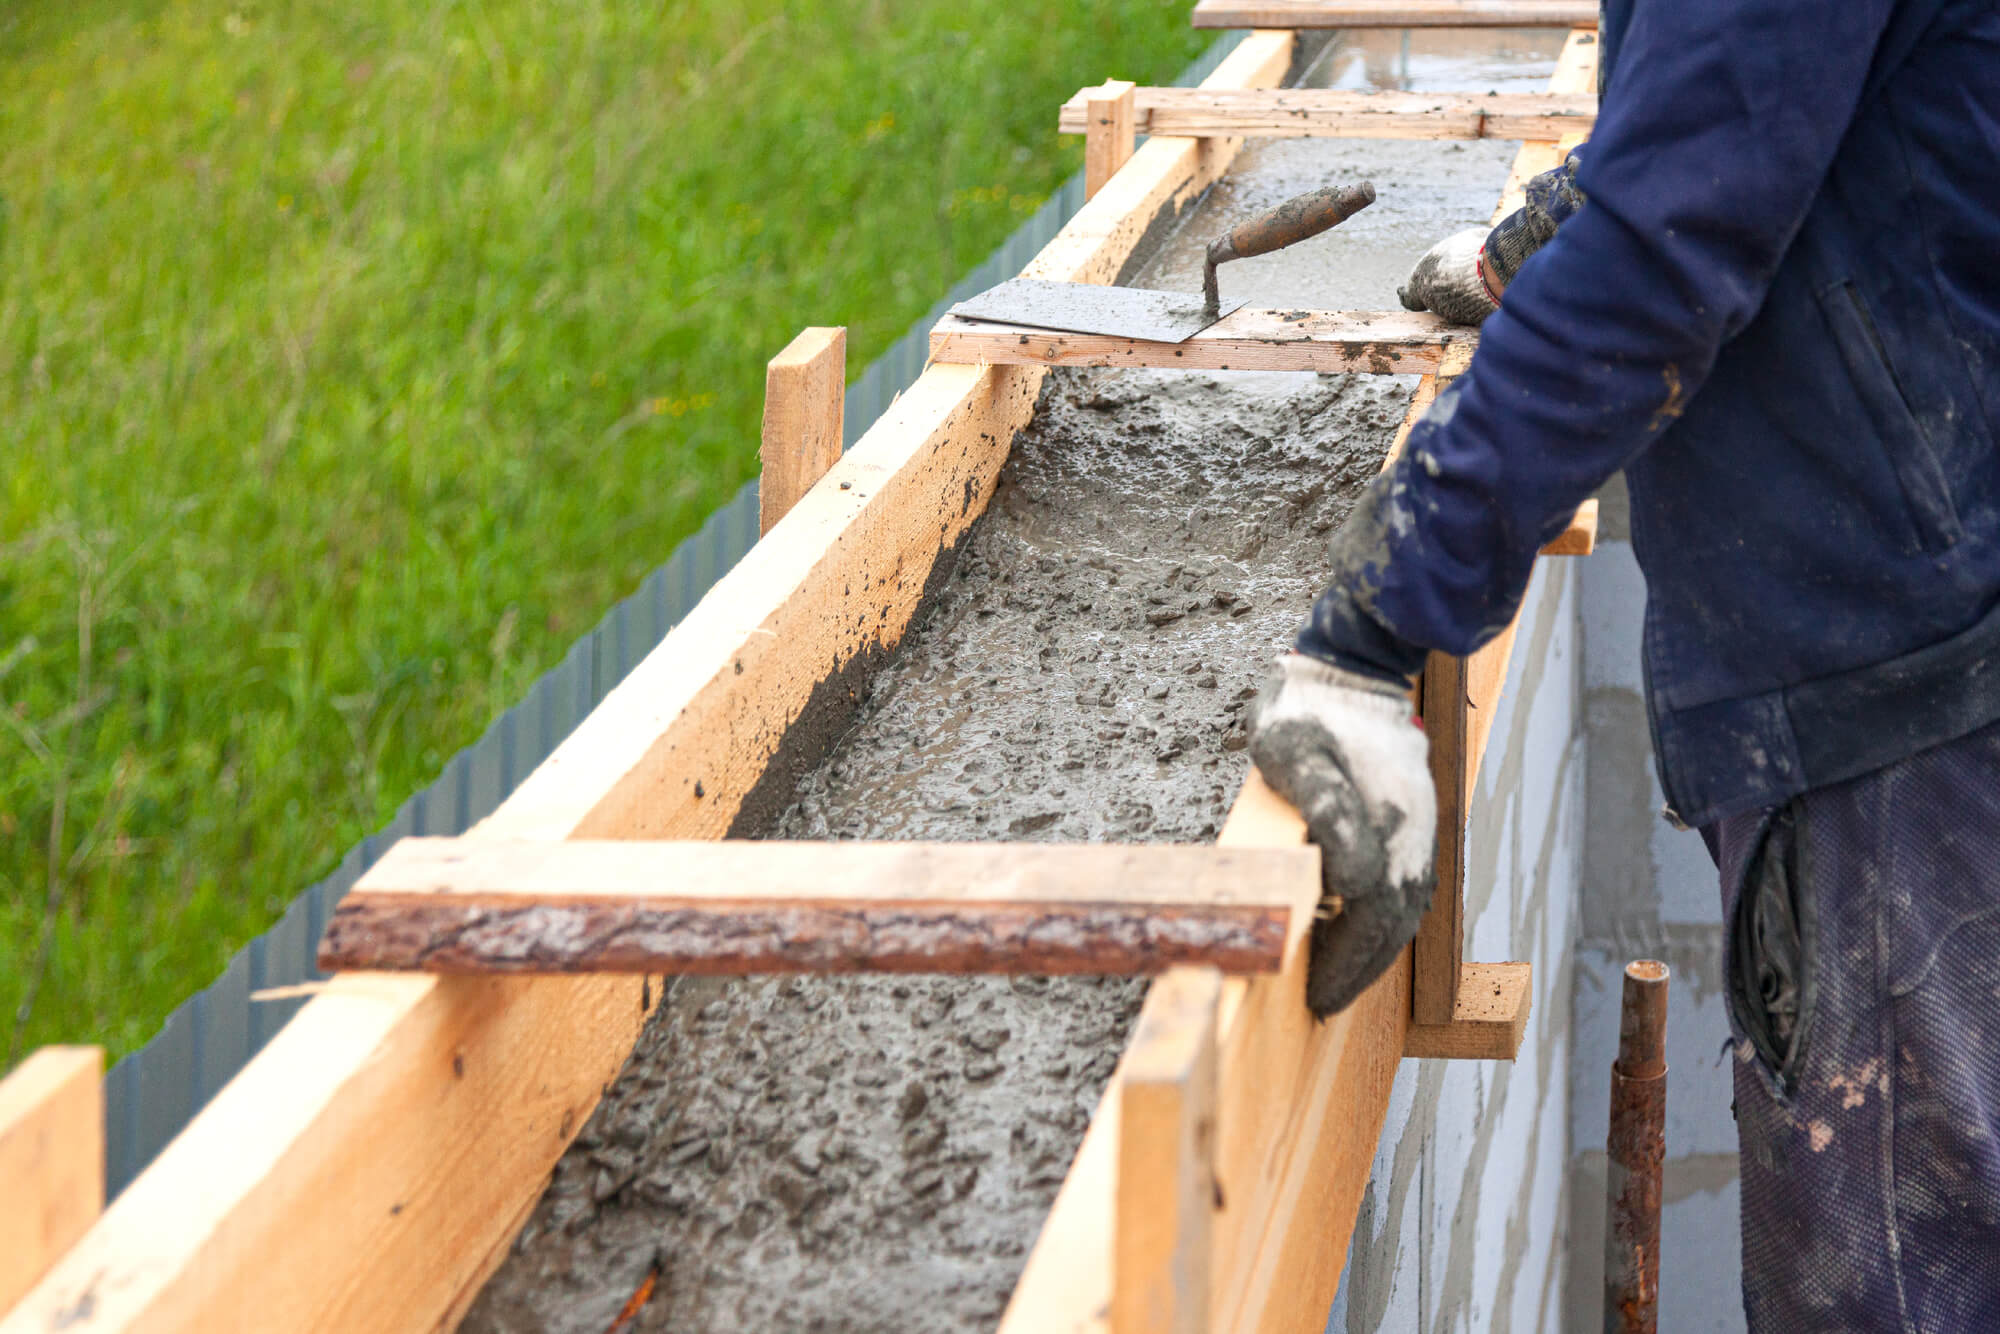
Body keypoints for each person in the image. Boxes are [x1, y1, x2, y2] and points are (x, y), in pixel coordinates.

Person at [1245, 0, 2000, 1326]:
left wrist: (1373, 633)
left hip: (1900, 688)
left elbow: (1672, 240)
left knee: (1899, 1283)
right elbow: (1749, 98)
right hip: (1915, 618)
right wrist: (1555, 231)